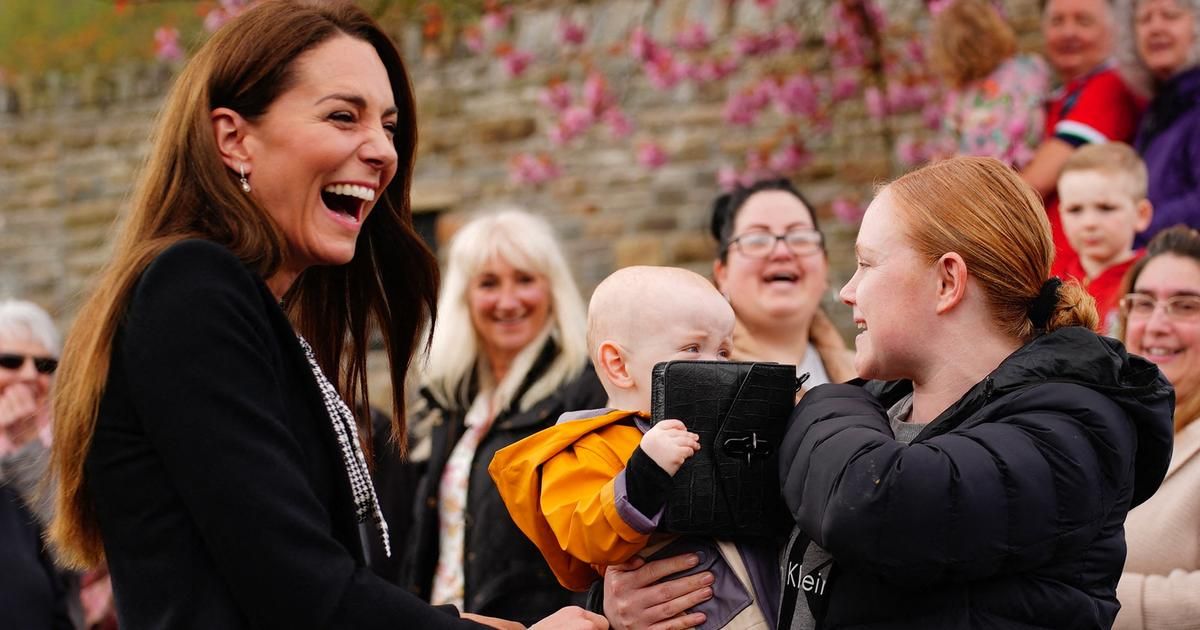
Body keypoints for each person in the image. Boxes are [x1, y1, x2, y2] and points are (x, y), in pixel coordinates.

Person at [45, 2, 605, 629]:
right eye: (343, 116)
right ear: (233, 138)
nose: (382, 153)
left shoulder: (259, 313)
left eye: (389, 127)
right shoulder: (193, 288)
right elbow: (296, 588)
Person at [775, 156, 1173, 628]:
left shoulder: (1072, 430)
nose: (847, 290)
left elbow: (880, 506)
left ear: (948, 281)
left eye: (866, 264)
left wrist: (819, 401)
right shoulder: (875, 410)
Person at [594, 178, 855, 630]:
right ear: (721, 272)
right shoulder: (643, 377)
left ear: (825, 264)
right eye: (757, 238)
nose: (781, 250)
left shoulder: (872, 384)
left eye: (800, 236)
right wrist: (608, 602)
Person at [490, 266, 779, 630]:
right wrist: (645, 473)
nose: (717, 367)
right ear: (619, 365)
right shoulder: (588, 446)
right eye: (693, 349)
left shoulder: (731, 431)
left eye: (724, 352)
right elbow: (585, 535)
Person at [397, 209, 608, 624]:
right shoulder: (449, 404)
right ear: (464, 297)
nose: (508, 301)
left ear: (552, 290)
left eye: (525, 280)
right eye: (489, 284)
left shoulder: (587, 393)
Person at [1113, 226, 1200, 628]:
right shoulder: (1097, 425)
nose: (1157, 326)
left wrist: (1096, 598)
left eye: (1185, 306)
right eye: (1143, 304)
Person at [1022, 0, 1144, 277]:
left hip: (1085, 278)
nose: (1068, 33)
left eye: (1083, 22)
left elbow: (1034, 183)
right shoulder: (1068, 93)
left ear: (1115, 31)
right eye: (1057, 22)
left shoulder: (1108, 85)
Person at [0, 300, 78, 629]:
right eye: (11, 361)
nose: (31, 375)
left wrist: (28, 446)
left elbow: (72, 546)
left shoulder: (71, 442)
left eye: (45, 365)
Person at [929, 0, 1050, 168]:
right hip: (1002, 176)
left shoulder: (1026, 69)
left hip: (1005, 177)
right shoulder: (1029, 67)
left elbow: (947, 153)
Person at [1118, 0, 1200, 245]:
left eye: (1170, 15)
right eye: (1144, 19)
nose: (1155, 28)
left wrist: (1133, 225)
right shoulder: (1161, 105)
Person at [1055, 142, 1153, 332]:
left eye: (1106, 208)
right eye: (1075, 210)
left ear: (1141, 214)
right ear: (1061, 216)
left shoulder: (1150, 281)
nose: (1089, 222)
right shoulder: (1052, 281)